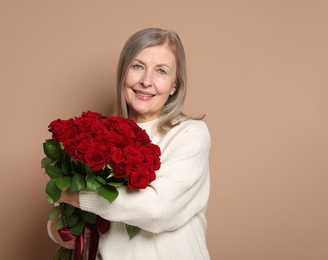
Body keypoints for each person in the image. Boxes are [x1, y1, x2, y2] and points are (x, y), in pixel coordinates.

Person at [48, 27, 211, 260]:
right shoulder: (99, 135)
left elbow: (158, 210)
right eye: (137, 66)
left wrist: (75, 196)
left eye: (161, 71)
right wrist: (60, 230)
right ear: (123, 72)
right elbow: (64, 217)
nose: (146, 81)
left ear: (175, 85)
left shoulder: (190, 134)